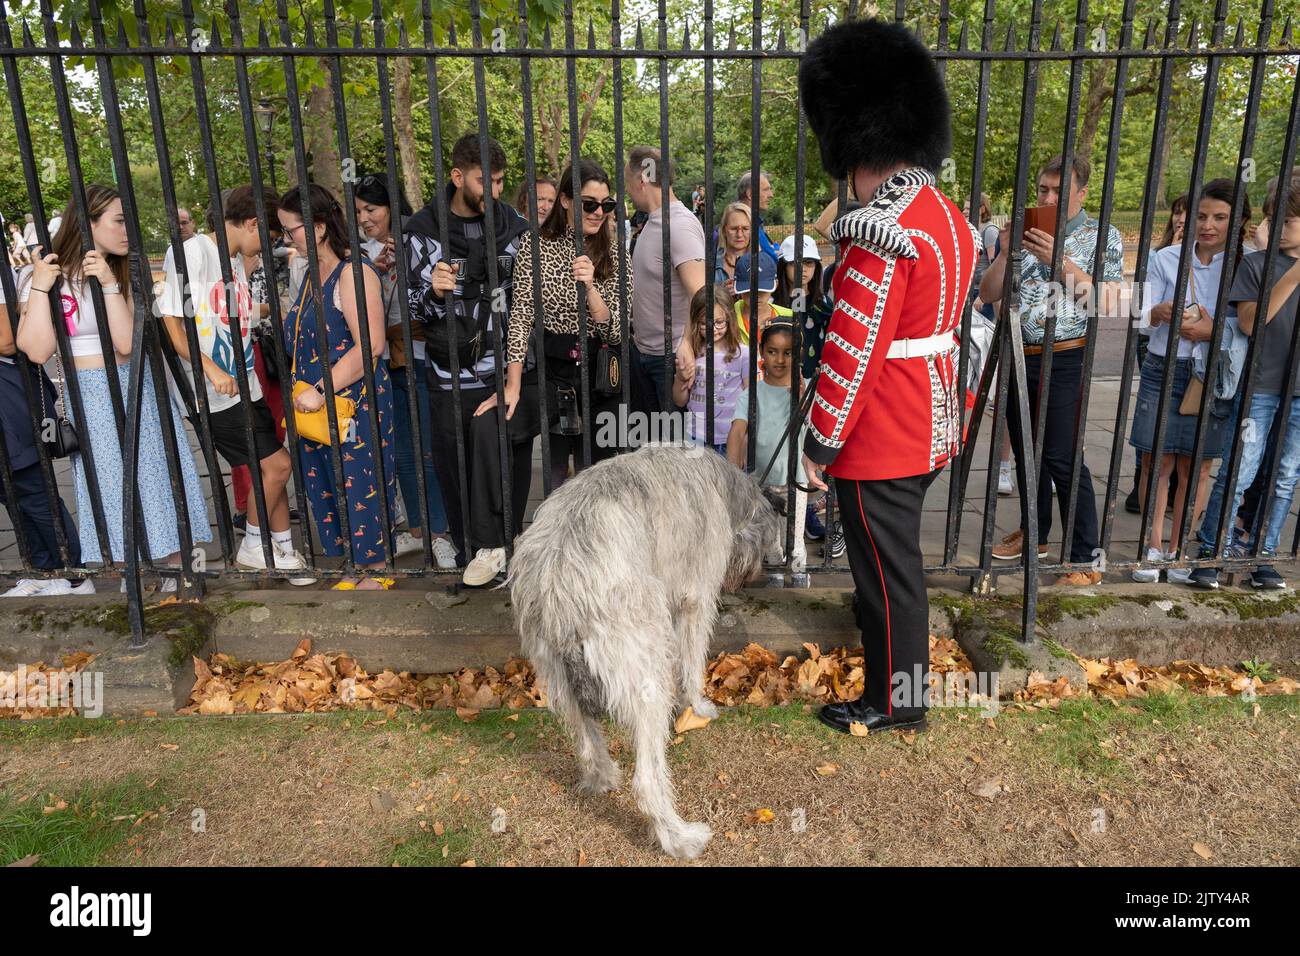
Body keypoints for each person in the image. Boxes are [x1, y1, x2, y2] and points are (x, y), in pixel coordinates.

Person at [798, 19, 978, 734]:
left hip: (882, 434)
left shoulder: (882, 227)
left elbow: (855, 348)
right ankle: (898, 689)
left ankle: (896, 702)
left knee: (886, 576)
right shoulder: (947, 218)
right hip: (932, 418)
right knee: (895, 567)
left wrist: (820, 442)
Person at [17, 185, 212, 585]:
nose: (128, 231)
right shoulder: (48, 276)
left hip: (136, 388)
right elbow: (36, 350)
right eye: (119, 221)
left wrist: (107, 284)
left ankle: (177, 574)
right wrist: (39, 287)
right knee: (108, 487)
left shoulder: (125, 272)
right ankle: (132, 580)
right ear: (87, 223)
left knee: (157, 478)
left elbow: (125, 343)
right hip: (89, 395)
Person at [157, 185, 312, 584]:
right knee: (278, 465)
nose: (270, 245)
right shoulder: (194, 252)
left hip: (244, 384)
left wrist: (270, 309)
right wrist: (210, 370)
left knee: (273, 465)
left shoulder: (232, 261)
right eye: (270, 234)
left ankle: (281, 549)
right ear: (251, 222)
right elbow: (173, 322)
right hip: (214, 391)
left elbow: (220, 312)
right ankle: (253, 547)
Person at [980, 153, 1123, 586]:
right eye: (1043, 189)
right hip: (1018, 353)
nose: (1048, 197)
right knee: (1026, 453)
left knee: (1062, 458)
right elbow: (987, 292)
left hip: (1065, 355)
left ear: (1081, 193)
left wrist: (1059, 260)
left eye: (1059, 191)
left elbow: (1109, 303)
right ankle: (1035, 535)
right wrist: (1006, 254)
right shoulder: (1022, 234)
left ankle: (1084, 558)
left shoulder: (1104, 236)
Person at [405, 131, 537, 587]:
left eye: (501, 181)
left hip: (506, 370)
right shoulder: (423, 232)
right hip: (448, 374)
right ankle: (469, 559)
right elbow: (409, 311)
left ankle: (507, 552)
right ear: (458, 176)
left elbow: (526, 305)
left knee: (509, 466)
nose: (494, 191)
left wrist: (515, 370)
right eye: (486, 181)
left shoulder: (515, 227)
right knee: (456, 470)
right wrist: (433, 290)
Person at [279, 183, 398, 590]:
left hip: (351, 399)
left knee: (361, 480)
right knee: (328, 482)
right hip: (315, 404)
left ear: (316, 228)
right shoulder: (314, 274)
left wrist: (320, 390)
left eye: (289, 229)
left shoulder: (355, 272)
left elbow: (371, 345)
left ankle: (377, 567)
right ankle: (356, 562)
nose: (285, 238)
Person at [1129, 180, 1246, 584]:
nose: (1208, 225)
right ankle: (1151, 546)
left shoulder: (1244, 265)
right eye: (1201, 216)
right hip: (1165, 366)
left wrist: (1214, 331)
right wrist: (1159, 312)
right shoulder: (1167, 258)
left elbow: (1252, 322)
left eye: (1219, 217)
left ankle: (1179, 549)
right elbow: (1139, 315)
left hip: (1212, 375)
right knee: (1156, 460)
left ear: (1237, 222)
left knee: (1195, 467)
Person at [1188, 174, 1300, 590]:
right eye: (1277, 219)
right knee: (1240, 470)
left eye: (1289, 221)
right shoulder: (1257, 265)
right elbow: (1252, 323)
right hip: (1261, 386)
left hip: (1298, 390)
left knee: (1285, 475)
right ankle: (1210, 553)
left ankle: (1262, 554)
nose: (1280, 226)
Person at [354, 172, 456, 570]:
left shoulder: (418, 239)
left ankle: (441, 534)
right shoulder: (363, 253)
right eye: (360, 210)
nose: (365, 218)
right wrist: (376, 270)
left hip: (420, 355)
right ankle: (416, 530)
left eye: (372, 209)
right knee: (399, 453)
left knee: (429, 450)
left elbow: (436, 297)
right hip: (384, 360)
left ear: (392, 207)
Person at [504, 159, 625, 491]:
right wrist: (512, 384)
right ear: (567, 200)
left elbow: (615, 331)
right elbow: (521, 316)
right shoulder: (536, 244)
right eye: (589, 204)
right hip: (556, 370)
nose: (599, 212)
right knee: (556, 474)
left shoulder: (615, 251)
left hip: (601, 374)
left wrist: (590, 288)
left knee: (600, 475)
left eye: (606, 205)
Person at [0, 270, 92, 597]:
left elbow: (7, 340)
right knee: (12, 496)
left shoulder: (5, 277)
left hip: (10, 399)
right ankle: (41, 571)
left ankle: (72, 574)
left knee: (33, 491)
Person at [625, 145, 707, 415]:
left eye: (628, 182)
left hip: (670, 360)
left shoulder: (679, 226)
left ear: (642, 179)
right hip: (646, 355)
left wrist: (685, 344)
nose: (627, 190)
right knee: (655, 448)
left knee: (673, 451)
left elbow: (701, 294)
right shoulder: (654, 221)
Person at [1126, 194, 1189, 514]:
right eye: (1177, 212)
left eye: (1186, 213)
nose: (1180, 218)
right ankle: (1142, 484)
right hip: (1153, 341)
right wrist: (1172, 254)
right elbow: (1142, 311)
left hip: (1192, 350)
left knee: (1182, 415)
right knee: (1152, 412)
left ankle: (1176, 487)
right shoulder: (1156, 255)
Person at [728, 320, 807, 573]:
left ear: (798, 355)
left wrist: (802, 397)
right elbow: (738, 429)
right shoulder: (752, 394)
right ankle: (774, 574)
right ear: (762, 352)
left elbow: (814, 424)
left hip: (796, 478)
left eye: (788, 352)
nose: (780, 360)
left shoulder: (803, 390)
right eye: (772, 351)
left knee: (795, 541)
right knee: (770, 541)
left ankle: (798, 573)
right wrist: (733, 469)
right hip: (763, 479)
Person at [774, 232, 830, 541]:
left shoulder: (822, 304)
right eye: (797, 263)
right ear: (784, 267)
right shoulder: (776, 304)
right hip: (781, 382)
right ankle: (781, 511)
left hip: (815, 384)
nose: (804, 269)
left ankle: (807, 512)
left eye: (810, 263)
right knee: (783, 445)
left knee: (807, 450)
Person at [673, 284, 747, 454]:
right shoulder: (692, 354)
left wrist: (745, 437)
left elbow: (751, 400)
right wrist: (680, 378)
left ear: (730, 319)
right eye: (705, 323)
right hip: (695, 437)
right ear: (695, 322)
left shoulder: (743, 354)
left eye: (719, 322)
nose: (714, 328)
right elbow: (679, 400)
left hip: (730, 439)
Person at [733, 250, 791, 348]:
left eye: (762, 290)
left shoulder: (789, 316)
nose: (756, 295)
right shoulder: (727, 317)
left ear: (776, 284)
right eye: (749, 290)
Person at [735, 169, 779, 263]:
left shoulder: (755, 223)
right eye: (766, 190)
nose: (771, 195)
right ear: (750, 194)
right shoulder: (741, 226)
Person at [714, 202, 752, 293]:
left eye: (745, 229)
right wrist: (720, 293)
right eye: (734, 229)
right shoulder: (710, 263)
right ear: (724, 230)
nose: (739, 234)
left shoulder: (763, 263)